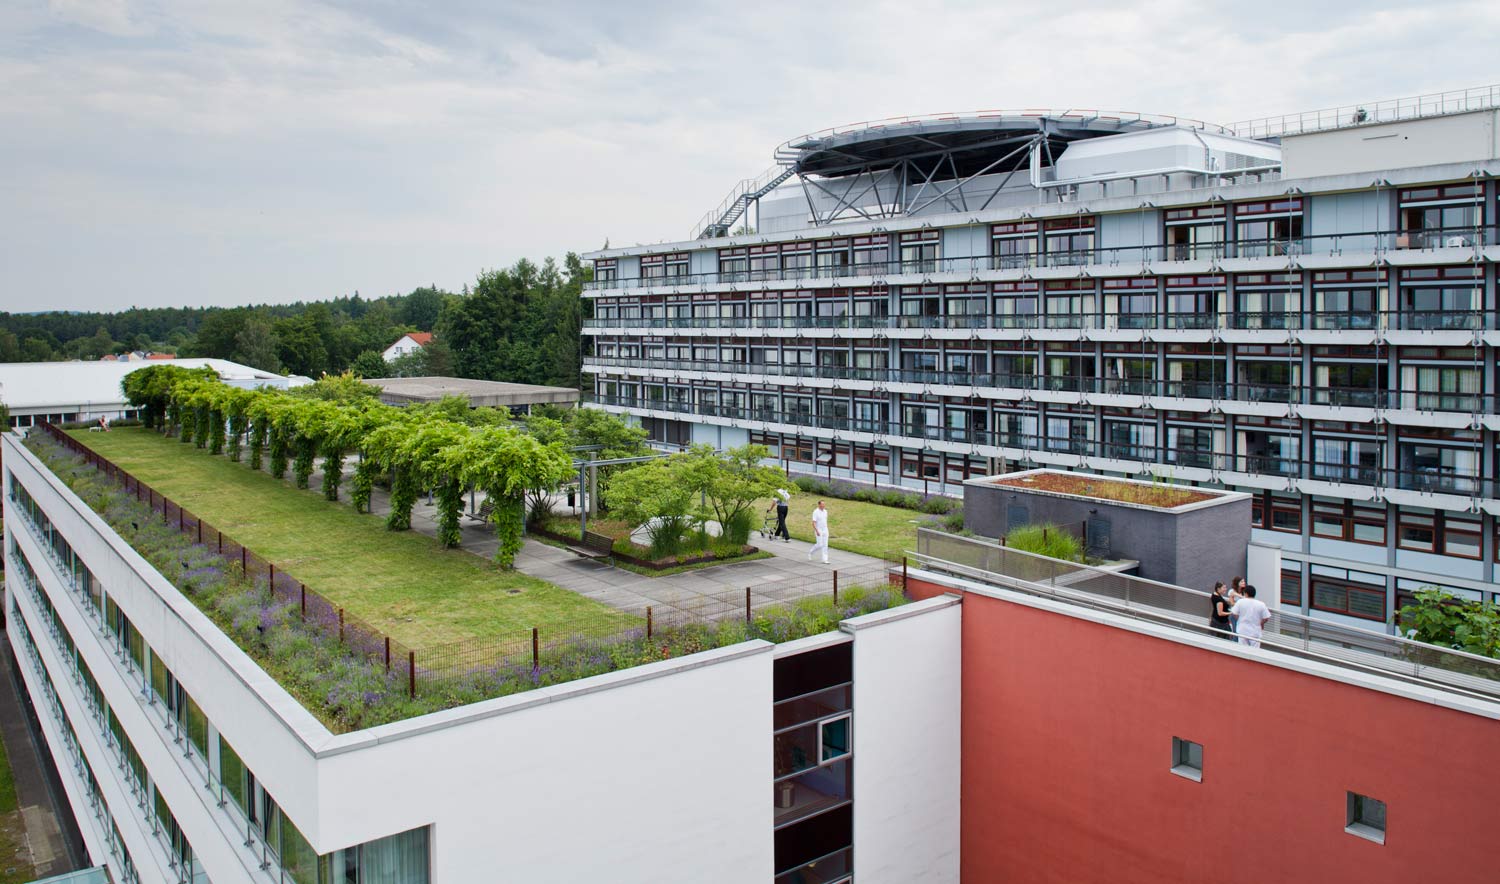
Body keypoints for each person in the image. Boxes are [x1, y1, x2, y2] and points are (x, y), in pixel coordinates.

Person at [807, 500, 830, 564]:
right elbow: (813, 523)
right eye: (822, 505)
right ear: (819, 505)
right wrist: (816, 530)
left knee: (825, 545)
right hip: (818, 529)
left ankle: (825, 559)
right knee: (820, 544)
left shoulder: (825, 511)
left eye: (824, 505)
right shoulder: (815, 512)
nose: (823, 506)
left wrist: (826, 529)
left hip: (825, 529)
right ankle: (810, 552)